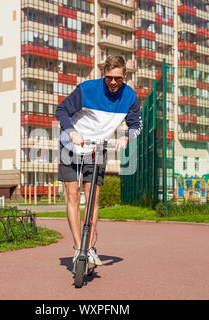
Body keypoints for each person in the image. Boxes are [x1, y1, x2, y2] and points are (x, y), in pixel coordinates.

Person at [55, 55, 142, 266]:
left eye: (118, 78)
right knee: (73, 196)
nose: (113, 82)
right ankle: (78, 249)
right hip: (71, 145)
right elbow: (61, 110)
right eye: (109, 77)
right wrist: (72, 131)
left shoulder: (130, 97)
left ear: (125, 76)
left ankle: (89, 246)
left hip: (97, 148)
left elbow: (135, 125)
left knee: (92, 198)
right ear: (104, 74)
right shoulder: (87, 89)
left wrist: (126, 137)